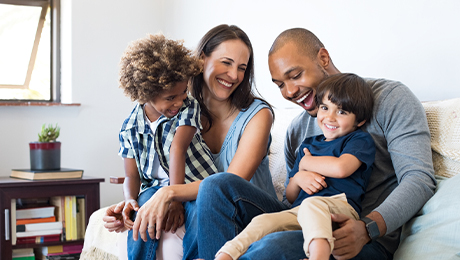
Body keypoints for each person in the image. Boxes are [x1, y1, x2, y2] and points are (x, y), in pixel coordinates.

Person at [196, 28, 436, 260]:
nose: (289, 91)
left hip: (358, 238)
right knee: (216, 185)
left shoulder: (389, 98)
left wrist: (366, 228)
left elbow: (419, 179)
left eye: (295, 75)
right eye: (280, 84)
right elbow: (292, 199)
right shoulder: (297, 130)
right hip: (301, 220)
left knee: (271, 246)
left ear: (323, 58)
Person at [103, 24, 277, 260]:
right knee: (148, 212)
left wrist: (169, 194)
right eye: (226, 62)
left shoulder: (258, 115)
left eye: (242, 68)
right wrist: (130, 204)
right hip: (201, 203)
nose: (234, 75)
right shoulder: (176, 108)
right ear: (202, 59)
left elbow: (229, 184)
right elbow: (151, 168)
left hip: (250, 210)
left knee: (209, 193)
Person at [215, 73, 376, 260]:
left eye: (341, 112)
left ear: (360, 121)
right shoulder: (308, 145)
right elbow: (291, 196)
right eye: (324, 108)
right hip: (300, 211)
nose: (330, 117)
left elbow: (342, 168)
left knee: (311, 204)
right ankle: (223, 256)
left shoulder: (358, 140)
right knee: (264, 221)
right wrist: (299, 177)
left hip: (339, 208)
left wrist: (307, 163)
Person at [117, 33, 218, 259]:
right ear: (146, 93)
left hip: (194, 183)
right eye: (171, 97)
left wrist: (174, 198)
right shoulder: (129, 127)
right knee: (142, 213)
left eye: (183, 92)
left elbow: (177, 149)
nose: (179, 101)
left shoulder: (188, 107)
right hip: (154, 188)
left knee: (198, 213)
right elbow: (131, 176)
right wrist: (130, 200)